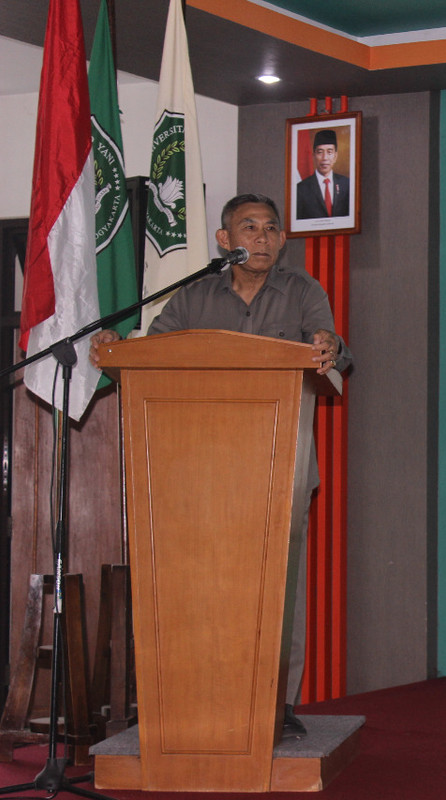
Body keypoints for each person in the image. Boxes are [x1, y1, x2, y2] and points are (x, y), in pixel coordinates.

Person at [90, 193, 352, 740]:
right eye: (249, 227)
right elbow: (151, 359)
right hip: (200, 474)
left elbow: (331, 351)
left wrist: (331, 345)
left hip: (281, 467)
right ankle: (198, 695)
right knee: (202, 584)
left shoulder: (302, 291)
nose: (262, 237)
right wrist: (118, 349)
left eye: (271, 228)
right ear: (225, 240)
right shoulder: (194, 296)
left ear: (282, 239)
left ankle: (276, 703)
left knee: (280, 588)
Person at [295, 129, 350, 219]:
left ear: (335, 156)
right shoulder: (301, 189)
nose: (325, 158)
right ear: (313, 156)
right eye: (320, 152)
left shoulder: (347, 184)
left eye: (329, 152)